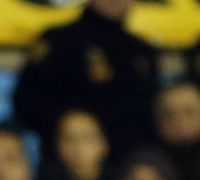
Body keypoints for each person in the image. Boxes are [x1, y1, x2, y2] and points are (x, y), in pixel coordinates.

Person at [13, 0, 157, 161]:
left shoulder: (142, 51)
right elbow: (26, 103)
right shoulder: (60, 41)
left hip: (126, 166)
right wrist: (71, 128)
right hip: (64, 165)